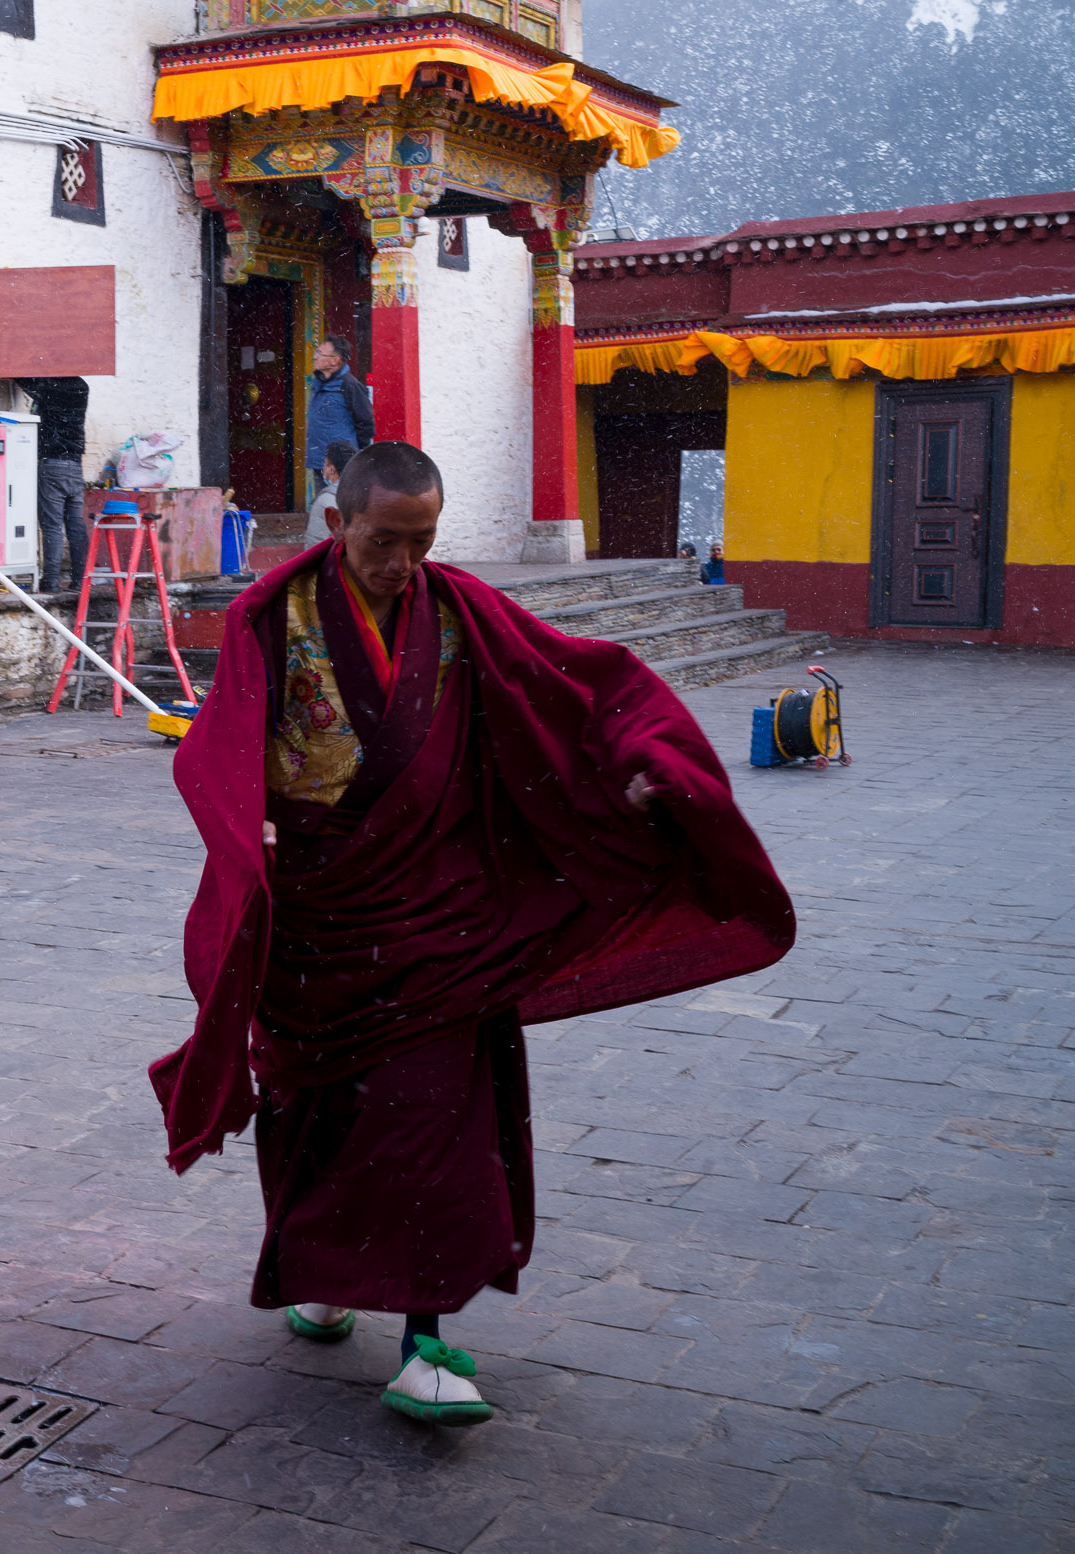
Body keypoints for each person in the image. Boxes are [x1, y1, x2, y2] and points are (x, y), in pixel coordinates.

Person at [154, 442, 793, 1428]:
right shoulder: (267, 620)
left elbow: (586, 685)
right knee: (315, 1110)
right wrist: (247, 831)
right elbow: (217, 751)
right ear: (336, 526)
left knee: (436, 1121)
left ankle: (426, 1339)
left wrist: (638, 765)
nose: (403, 564)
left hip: (442, 915)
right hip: (321, 914)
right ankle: (324, 1273)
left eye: (422, 542)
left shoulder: (460, 611)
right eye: (383, 542)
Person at [14, 376, 91, 594]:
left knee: (52, 526)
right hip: (75, 465)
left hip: (52, 463)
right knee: (75, 525)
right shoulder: (81, 386)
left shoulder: (49, 386)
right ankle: (80, 580)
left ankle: (51, 581)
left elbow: (24, 381)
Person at [304, 337, 373, 518]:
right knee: (324, 510)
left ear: (335, 360)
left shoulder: (350, 386)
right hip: (319, 459)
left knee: (342, 510)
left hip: (342, 463)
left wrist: (356, 455)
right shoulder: (317, 385)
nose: (315, 357)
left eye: (319, 353)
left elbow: (365, 423)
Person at [304, 439, 360, 545]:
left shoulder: (324, 501)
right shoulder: (364, 495)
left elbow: (315, 544)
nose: (323, 469)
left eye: (325, 464)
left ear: (332, 469)